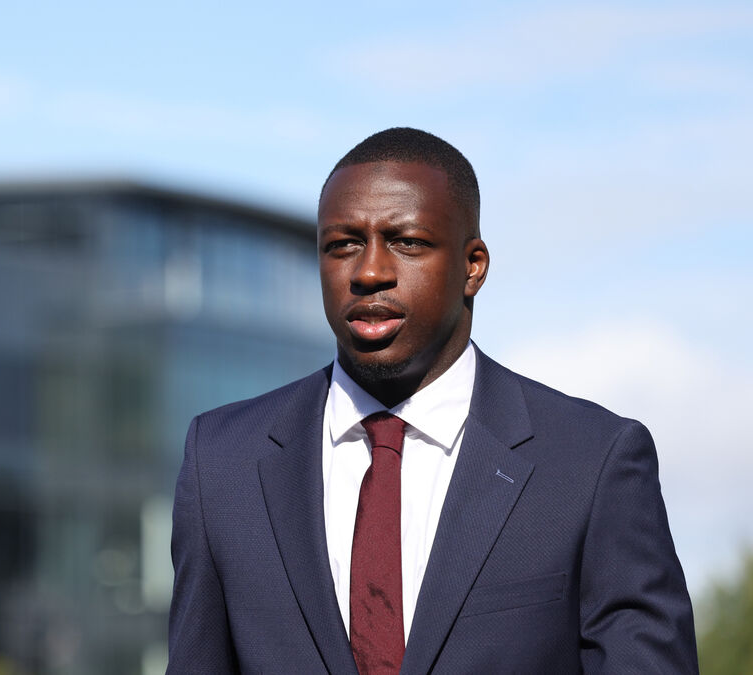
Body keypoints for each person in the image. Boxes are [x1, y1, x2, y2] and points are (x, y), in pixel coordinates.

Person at [166, 127, 697, 673]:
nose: (370, 272)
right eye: (343, 245)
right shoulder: (222, 462)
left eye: (408, 242)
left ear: (473, 266)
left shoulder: (590, 462)